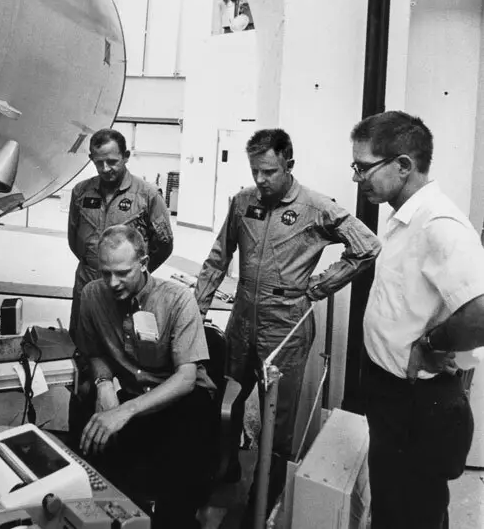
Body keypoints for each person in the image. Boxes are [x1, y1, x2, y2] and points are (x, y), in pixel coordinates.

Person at [194, 128, 381, 520]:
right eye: (255, 171)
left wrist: (319, 287)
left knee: (277, 417)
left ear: (288, 164)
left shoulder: (315, 207)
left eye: (268, 172)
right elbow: (217, 258)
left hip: (285, 325)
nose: (260, 181)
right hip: (243, 319)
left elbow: (366, 247)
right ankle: (223, 465)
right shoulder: (243, 202)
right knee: (226, 395)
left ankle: (263, 500)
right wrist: (197, 312)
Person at [351, 110, 484, 529]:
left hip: (416, 403)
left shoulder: (439, 224)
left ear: (403, 165)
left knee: (412, 513)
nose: (358, 178)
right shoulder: (405, 217)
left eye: (364, 167)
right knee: (393, 504)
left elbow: (480, 312)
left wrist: (431, 346)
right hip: (392, 394)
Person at [75, 225, 217, 529]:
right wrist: (103, 384)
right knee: (94, 456)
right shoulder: (91, 296)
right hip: (129, 393)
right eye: (105, 272)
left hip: (179, 398)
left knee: (176, 496)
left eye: (123, 272)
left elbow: (186, 378)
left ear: (144, 263)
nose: (112, 283)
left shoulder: (178, 300)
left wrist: (124, 412)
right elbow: (94, 352)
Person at [68, 128, 173, 341]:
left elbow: (164, 243)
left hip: (127, 285)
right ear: (91, 159)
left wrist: (133, 273)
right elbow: (74, 237)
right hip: (87, 281)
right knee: (83, 341)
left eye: (112, 161)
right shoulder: (80, 192)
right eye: (99, 162)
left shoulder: (147, 195)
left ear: (126, 157)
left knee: (124, 344)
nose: (105, 169)